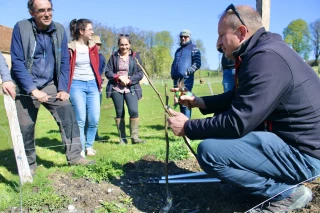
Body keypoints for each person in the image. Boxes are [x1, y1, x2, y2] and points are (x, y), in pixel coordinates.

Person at [167, 4, 320, 212]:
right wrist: (200, 102)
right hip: (293, 142)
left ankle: (284, 193)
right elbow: (240, 96)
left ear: (241, 32)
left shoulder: (266, 58)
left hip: (304, 156)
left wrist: (188, 127)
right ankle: (249, 183)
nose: (218, 44)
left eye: (221, 35)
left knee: (209, 152)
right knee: (220, 123)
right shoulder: (262, 52)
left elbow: (238, 122)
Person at [10, 0, 94, 175]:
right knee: (26, 127)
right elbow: (17, 62)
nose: (47, 14)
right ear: (32, 13)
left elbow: (64, 61)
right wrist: (33, 90)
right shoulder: (21, 28)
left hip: (50, 84)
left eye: (49, 10)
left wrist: (63, 88)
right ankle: (29, 166)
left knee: (68, 115)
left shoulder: (59, 30)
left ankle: (75, 156)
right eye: (42, 11)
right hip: (25, 86)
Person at [68, 19, 101, 157]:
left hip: (92, 84)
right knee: (80, 119)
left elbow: (97, 67)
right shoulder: (70, 47)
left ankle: (89, 146)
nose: (92, 32)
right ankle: (81, 148)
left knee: (94, 118)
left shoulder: (93, 47)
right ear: (81, 31)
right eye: (90, 29)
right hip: (76, 84)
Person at [105, 34, 145, 145]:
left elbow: (140, 73)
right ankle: (122, 138)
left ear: (130, 44)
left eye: (126, 44)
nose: (124, 47)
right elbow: (108, 72)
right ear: (118, 45)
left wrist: (130, 79)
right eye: (121, 44)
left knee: (133, 111)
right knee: (120, 112)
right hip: (116, 88)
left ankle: (135, 137)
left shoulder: (135, 57)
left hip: (131, 87)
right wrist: (118, 77)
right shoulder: (113, 57)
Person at [171, 29, 201, 119]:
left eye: (185, 36)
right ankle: (182, 123)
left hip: (186, 79)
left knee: (185, 101)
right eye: (181, 37)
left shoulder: (194, 48)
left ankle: (186, 124)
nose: (183, 38)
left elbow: (197, 63)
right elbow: (174, 62)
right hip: (176, 79)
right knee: (180, 101)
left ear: (189, 37)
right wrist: (172, 72)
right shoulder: (178, 50)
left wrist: (188, 71)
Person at [91, 34, 106, 141]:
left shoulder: (101, 58)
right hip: (86, 87)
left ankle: (94, 134)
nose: (98, 47)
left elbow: (100, 72)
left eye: (99, 45)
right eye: (95, 44)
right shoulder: (86, 56)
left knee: (96, 112)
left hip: (97, 88)